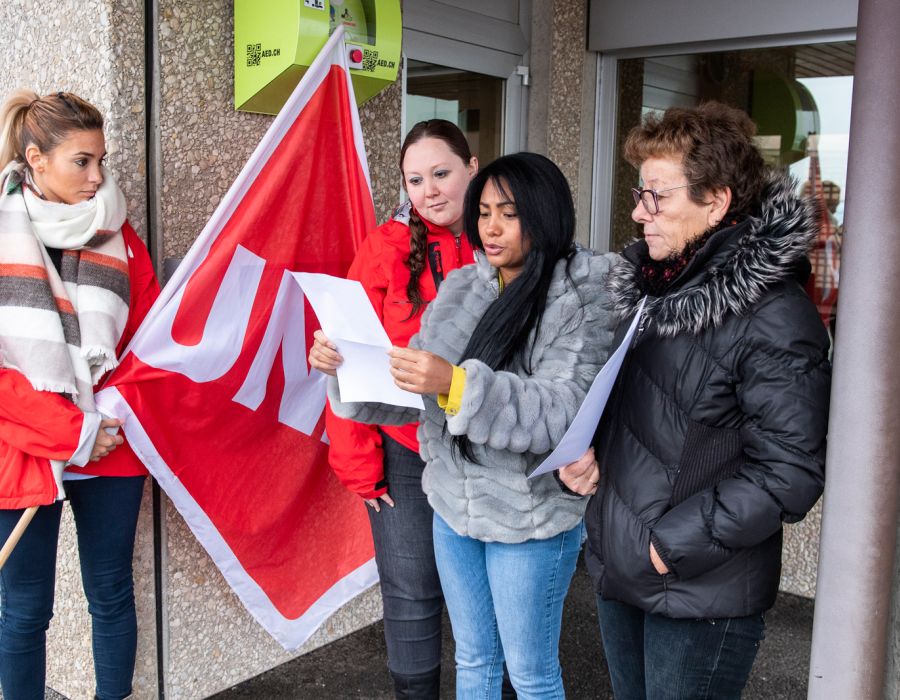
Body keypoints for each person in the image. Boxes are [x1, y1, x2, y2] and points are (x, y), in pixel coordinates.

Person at [312, 152, 616, 699]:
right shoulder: (462, 288)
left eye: (509, 213)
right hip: (453, 506)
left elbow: (560, 411)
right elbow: (413, 396)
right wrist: (347, 371)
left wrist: (455, 384)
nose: (491, 227)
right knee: (473, 661)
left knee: (531, 675)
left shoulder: (579, 297)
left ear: (545, 216)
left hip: (530, 517)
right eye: (484, 213)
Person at [581, 102, 831, 699]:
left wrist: (667, 548)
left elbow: (789, 471)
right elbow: (646, 419)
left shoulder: (773, 314)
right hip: (624, 566)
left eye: (657, 198)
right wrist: (588, 453)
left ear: (715, 202)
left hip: (698, 590)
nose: (640, 214)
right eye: (640, 193)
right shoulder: (655, 286)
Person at [0, 90, 159, 700]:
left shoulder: (122, 238)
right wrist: (74, 432)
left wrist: (103, 424)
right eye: (81, 162)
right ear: (35, 159)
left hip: (112, 442)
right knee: (24, 610)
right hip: (25, 448)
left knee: (111, 594)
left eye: (102, 161)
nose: (98, 178)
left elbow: (148, 344)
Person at [323, 119, 478, 698]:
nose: (430, 190)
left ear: (472, 167)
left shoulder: (508, 235)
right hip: (408, 451)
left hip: (486, 448)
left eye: (441, 173)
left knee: (483, 597)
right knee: (412, 594)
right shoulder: (385, 247)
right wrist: (360, 466)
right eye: (415, 180)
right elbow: (348, 360)